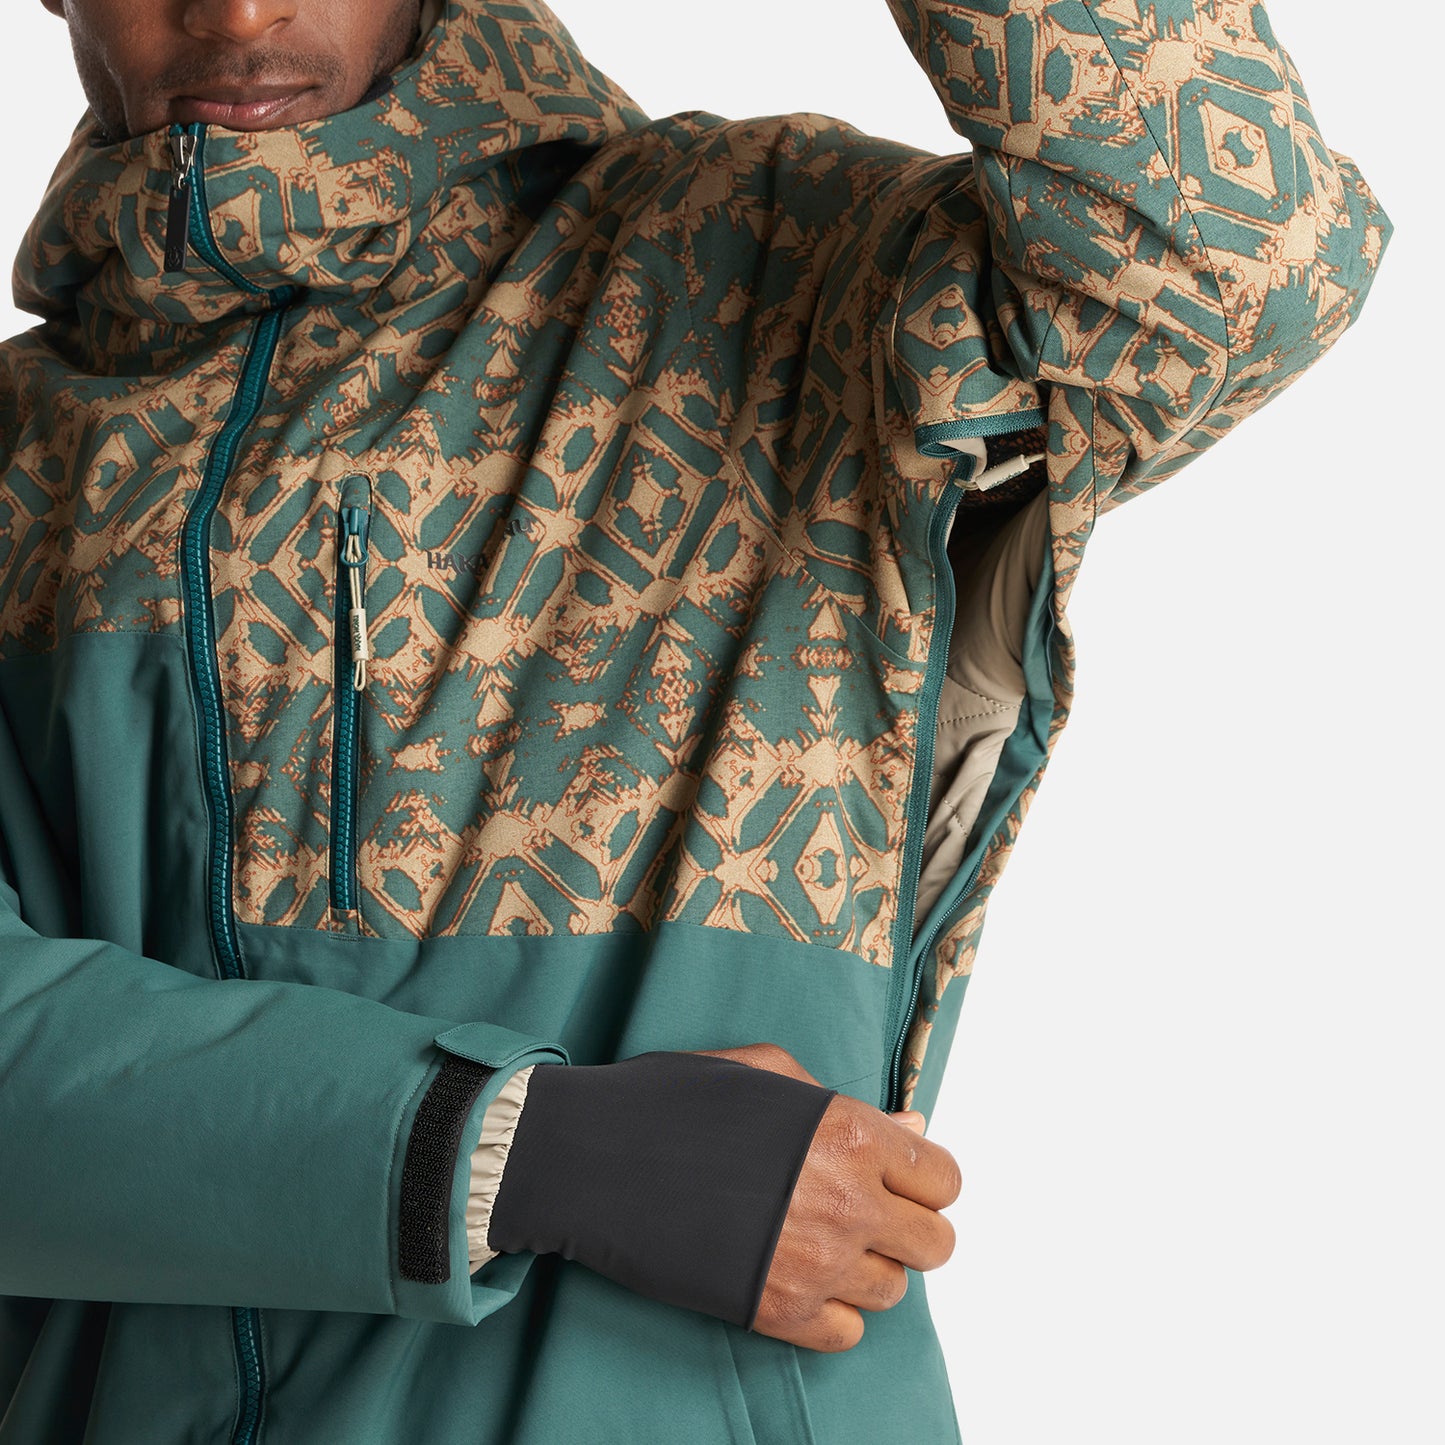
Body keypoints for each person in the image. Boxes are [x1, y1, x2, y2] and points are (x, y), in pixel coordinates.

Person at [0, 1, 1390, 1441]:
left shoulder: (766, 269)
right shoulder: (17, 447)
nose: (237, 14)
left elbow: (1230, 270)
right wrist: (507, 1150)